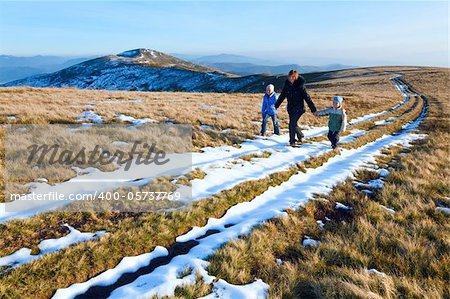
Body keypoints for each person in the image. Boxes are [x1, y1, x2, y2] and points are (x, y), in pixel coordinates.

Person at [275, 70, 317, 146]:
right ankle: (300, 136)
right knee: (294, 124)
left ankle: (292, 141)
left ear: (296, 77)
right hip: (290, 109)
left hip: (299, 109)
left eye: (293, 77)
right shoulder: (287, 86)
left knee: (291, 124)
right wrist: (276, 105)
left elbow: (307, 98)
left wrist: (313, 109)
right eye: (290, 77)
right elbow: (282, 96)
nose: (291, 78)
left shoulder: (300, 86)